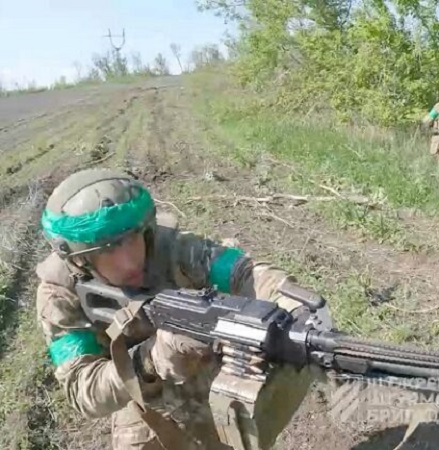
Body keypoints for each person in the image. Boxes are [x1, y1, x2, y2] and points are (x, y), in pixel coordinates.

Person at [35, 168, 332, 449]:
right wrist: (151, 359)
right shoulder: (60, 297)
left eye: (132, 238)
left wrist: (294, 305)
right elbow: (83, 391)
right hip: (141, 395)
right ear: (79, 259)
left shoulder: (175, 248)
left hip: (208, 370)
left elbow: (245, 272)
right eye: (108, 250)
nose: (129, 261)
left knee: (249, 416)